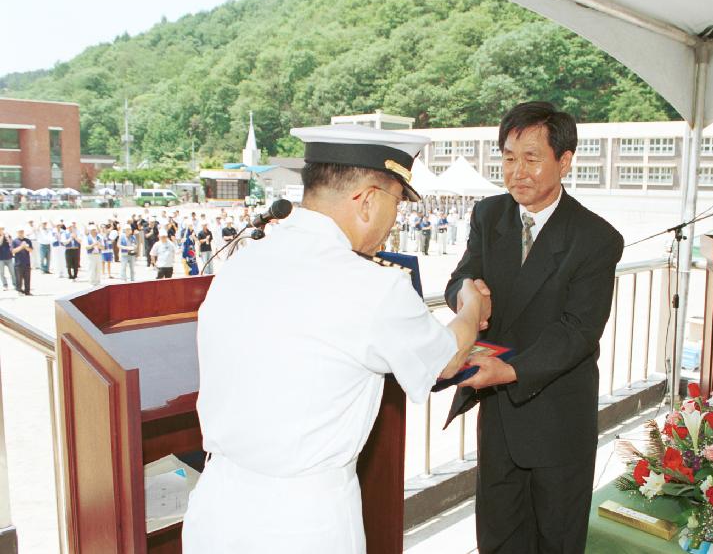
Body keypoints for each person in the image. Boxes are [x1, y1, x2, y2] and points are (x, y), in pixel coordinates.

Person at [182, 124, 491, 553]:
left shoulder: (240, 261)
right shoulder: (373, 288)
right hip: (302, 522)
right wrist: (472, 307)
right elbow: (446, 358)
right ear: (366, 200)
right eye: (397, 204)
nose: (393, 221)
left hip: (217, 507)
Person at [444, 102, 623, 554]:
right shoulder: (489, 215)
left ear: (564, 161)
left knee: (555, 538)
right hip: (500, 412)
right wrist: (467, 295)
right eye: (507, 158)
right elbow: (460, 280)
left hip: (556, 412)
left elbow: (579, 330)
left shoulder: (595, 237)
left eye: (531, 158)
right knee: (499, 535)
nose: (516, 171)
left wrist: (511, 371)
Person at [11, 227, 34, 295]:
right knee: (19, 279)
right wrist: (21, 247)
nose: (21, 233)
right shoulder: (14, 241)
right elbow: (13, 251)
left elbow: (31, 250)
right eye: (19, 232)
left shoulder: (28, 240)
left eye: (22, 231)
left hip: (27, 262)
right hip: (18, 263)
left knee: (27, 278)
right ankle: (19, 291)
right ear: (17, 233)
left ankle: (27, 291)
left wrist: (26, 247)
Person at [0, 226, 15, 290]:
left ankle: (15, 284)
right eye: (0, 229)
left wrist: (8, 238)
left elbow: (12, 243)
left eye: (2, 229)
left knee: (12, 272)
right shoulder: (2, 236)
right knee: (1, 273)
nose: (2, 230)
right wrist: (2, 236)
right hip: (1, 258)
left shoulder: (8, 235)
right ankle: (5, 285)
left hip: (9, 257)